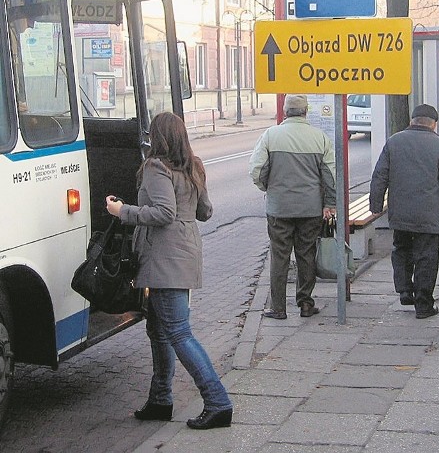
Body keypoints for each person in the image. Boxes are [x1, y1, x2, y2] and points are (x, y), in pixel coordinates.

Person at [105, 112, 233, 430]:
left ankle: (218, 402)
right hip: (185, 253)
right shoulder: (194, 165)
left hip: (166, 259)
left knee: (178, 333)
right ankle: (161, 400)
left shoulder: (155, 167)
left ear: (158, 138)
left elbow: (164, 213)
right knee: (159, 330)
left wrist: (123, 211)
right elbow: (205, 211)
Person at [369, 104, 439, 319]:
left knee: (401, 249)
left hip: (400, 213)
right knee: (426, 258)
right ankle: (423, 305)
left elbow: (379, 175)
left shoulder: (394, 142)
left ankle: (404, 289)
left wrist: (375, 206)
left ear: (412, 120)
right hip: (427, 215)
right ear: (434, 124)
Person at [249, 94, 336, 319]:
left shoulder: (270, 135)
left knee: (280, 256)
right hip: (310, 209)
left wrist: (268, 188)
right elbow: (329, 176)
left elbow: (257, 170)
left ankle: (278, 307)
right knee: (306, 254)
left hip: (279, 208)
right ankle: (306, 303)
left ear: (285, 111)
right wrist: (329, 203)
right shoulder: (320, 138)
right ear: (306, 111)